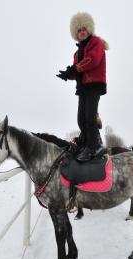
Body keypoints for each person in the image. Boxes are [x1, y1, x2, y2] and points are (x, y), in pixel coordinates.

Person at [56, 12, 109, 161]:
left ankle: (94, 147)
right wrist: (68, 74)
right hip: (83, 87)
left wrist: (75, 69)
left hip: (94, 85)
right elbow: (77, 70)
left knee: (89, 117)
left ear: (89, 29)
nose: (82, 32)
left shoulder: (96, 43)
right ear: (75, 33)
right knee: (81, 119)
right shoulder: (77, 52)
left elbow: (92, 60)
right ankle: (87, 143)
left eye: (84, 29)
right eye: (78, 30)